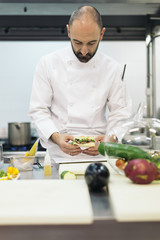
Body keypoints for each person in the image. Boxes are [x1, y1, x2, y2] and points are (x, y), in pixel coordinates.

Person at [29, 5, 132, 163]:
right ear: (69, 32)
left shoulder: (113, 69)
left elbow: (121, 113)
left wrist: (110, 138)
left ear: (102, 34)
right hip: (60, 156)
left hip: (100, 157)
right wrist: (56, 138)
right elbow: (38, 110)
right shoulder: (48, 63)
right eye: (77, 42)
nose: (84, 51)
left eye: (91, 43)